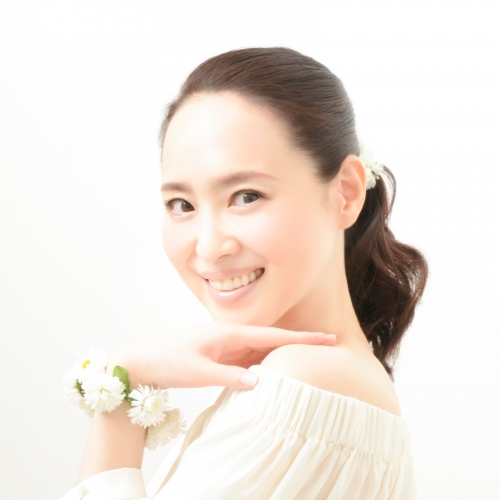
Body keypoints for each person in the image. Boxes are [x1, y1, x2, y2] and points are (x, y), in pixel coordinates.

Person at [61, 46, 428, 499]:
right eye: (182, 204)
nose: (209, 247)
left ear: (346, 194)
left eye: (247, 196)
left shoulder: (304, 383)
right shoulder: (329, 383)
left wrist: (123, 387)